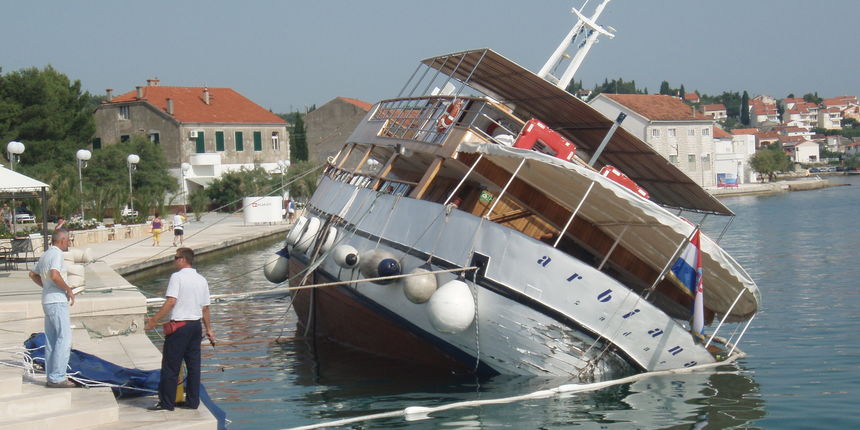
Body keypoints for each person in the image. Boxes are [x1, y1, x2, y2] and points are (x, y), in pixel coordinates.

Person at [144, 247, 215, 411]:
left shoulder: (177, 277)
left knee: (171, 366)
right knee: (193, 366)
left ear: (182, 259)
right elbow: (205, 308)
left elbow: (171, 302)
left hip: (180, 327)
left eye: (175, 257)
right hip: (195, 327)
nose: (174, 260)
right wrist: (209, 329)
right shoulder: (201, 279)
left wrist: (154, 320)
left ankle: (167, 403)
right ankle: (192, 401)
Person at [28, 229, 77, 388]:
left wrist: (47, 287)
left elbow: (33, 274)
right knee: (64, 338)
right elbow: (55, 275)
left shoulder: (45, 254)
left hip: (47, 300)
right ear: (62, 240)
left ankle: (52, 376)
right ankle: (58, 377)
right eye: (68, 240)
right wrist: (67, 289)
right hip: (56, 302)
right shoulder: (56, 254)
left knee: (52, 339)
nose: (69, 243)